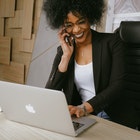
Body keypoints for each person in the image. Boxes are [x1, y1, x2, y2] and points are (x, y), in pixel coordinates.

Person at [43, 0, 131, 128]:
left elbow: (118, 85)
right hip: (80, 116)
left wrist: (84, 108)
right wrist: (66, 56)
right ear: (63, 27)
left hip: (111, 114)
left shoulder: (112, 43)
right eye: (69, 25)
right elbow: (50, 92)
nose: (77, 29)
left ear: (90, 18)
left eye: (81, 22)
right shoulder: (64, 50)